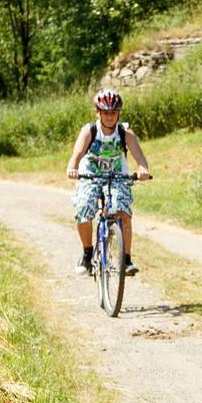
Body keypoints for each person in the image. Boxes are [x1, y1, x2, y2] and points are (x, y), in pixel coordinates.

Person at [64, 88, 152, 275]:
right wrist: (72, 167)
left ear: (119, 113)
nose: (110, 117)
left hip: (118, 175)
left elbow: (140, 158)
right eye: (106, 112)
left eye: (113, 112)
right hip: (90, 175)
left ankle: (126, 260)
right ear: (98, 112)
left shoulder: (125, 132)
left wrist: (143, 170)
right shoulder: (90, 130)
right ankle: (87, 254)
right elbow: (77, 153)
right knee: (84, 210)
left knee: (124, 213)